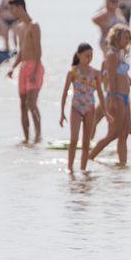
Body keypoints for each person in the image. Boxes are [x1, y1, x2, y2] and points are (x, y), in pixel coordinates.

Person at [89, 24, 131, 165]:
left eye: (129, 38)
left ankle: (122, 165)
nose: (128, 40)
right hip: (116, 96)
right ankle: (89, 158)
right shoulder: (111, 55)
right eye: (125, 38)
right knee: (113, 134)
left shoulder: (120, 54)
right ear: (116, 38)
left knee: (124, 133)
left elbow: (125, 77)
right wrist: (113, 100)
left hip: (125, 97)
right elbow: (111, 77)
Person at [4, 0, 44, 144]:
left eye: (12, 8)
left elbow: (38, 50)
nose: (11, 12)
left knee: (31, 103)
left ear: (20, 7)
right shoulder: (20, 27)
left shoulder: (34, 25)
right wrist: (13, 68)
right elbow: (21, 51)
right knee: (22, 105)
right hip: (23, 67)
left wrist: (35, 71)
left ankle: (38, 136)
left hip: (35, 66)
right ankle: (26, 139)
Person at [58, 43, 104, 173]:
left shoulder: (95, 73)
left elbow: (100, 93)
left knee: (86, 142)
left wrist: (106, 112)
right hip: (76, 108)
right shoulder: (73, 72)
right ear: (79, 55)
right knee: (74, 140)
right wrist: (62, 113)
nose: (89, 58)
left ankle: (83, 170)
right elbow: (65, 93)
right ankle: (70, 169)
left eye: (91, 56)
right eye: (86, 56)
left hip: (90, 108)